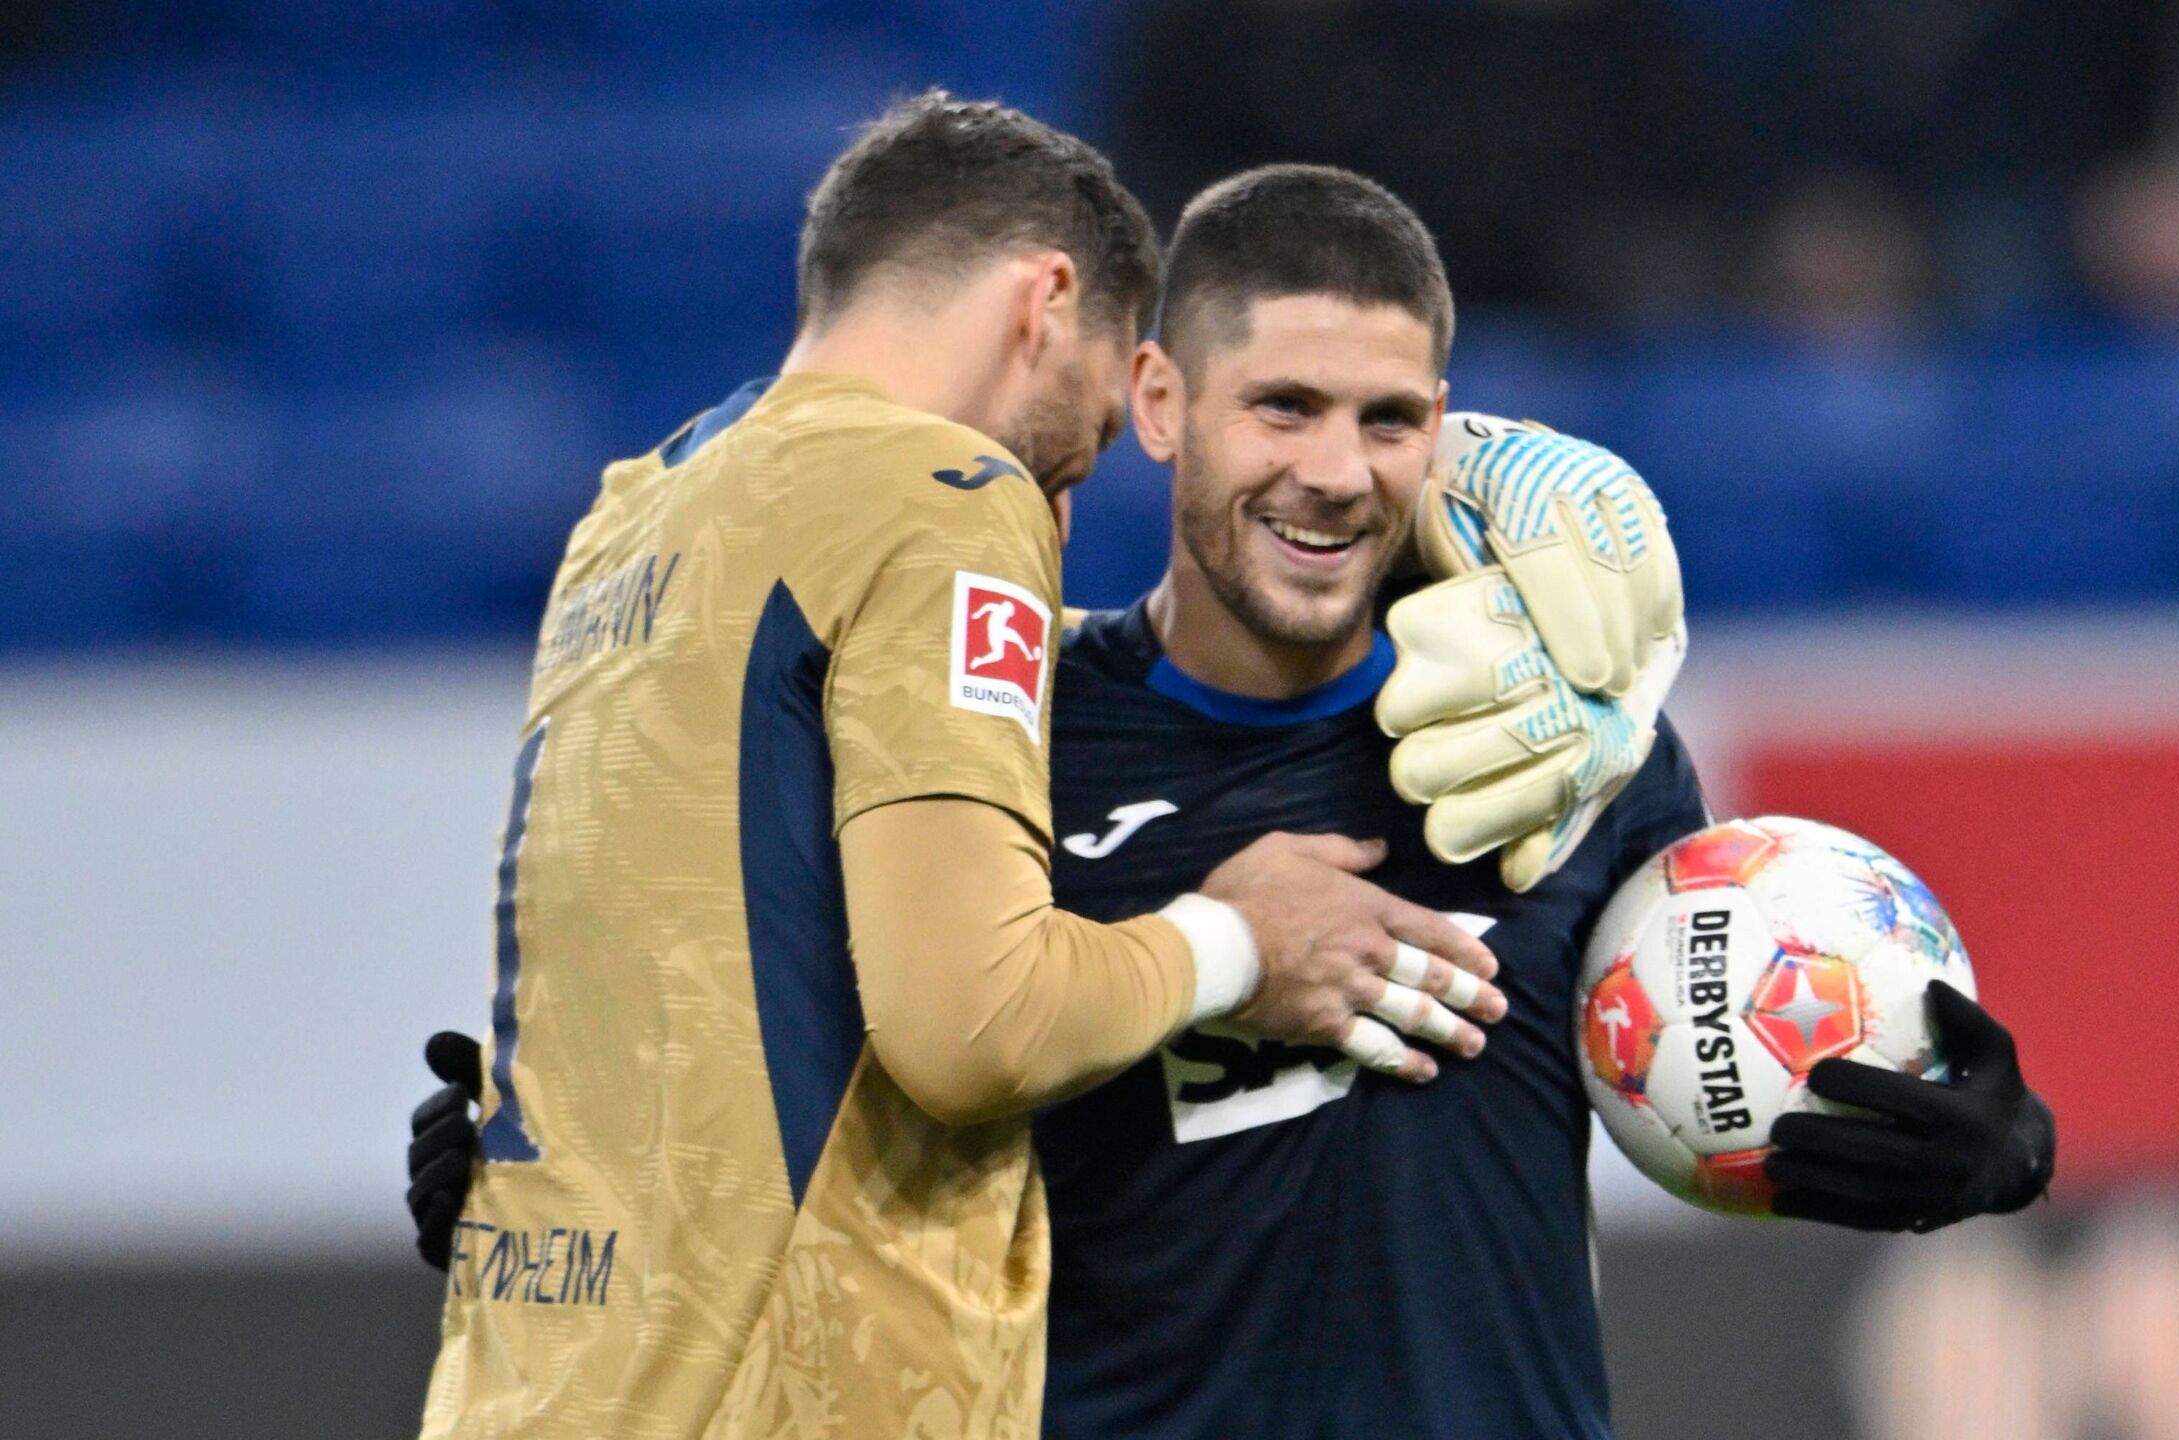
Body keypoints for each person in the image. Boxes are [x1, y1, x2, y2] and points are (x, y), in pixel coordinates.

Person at [412, 163, 2057, 1439]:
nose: (1335, 472)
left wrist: (1973, 1149)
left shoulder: (1570, 746)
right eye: (1283, 406)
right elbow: (803, 1076)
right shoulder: (1004, 745)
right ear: (1157, 408)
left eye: (1389, 418)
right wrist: (544, 1159)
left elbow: (1715, 1034)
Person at [412, 98, 1529, 1440]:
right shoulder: (943, 490)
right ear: (1045, 303)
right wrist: (1237, 943)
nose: (1061, 500)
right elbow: (971, 1024)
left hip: (544, 1381)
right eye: (1094, 423)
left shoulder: (642, 511)